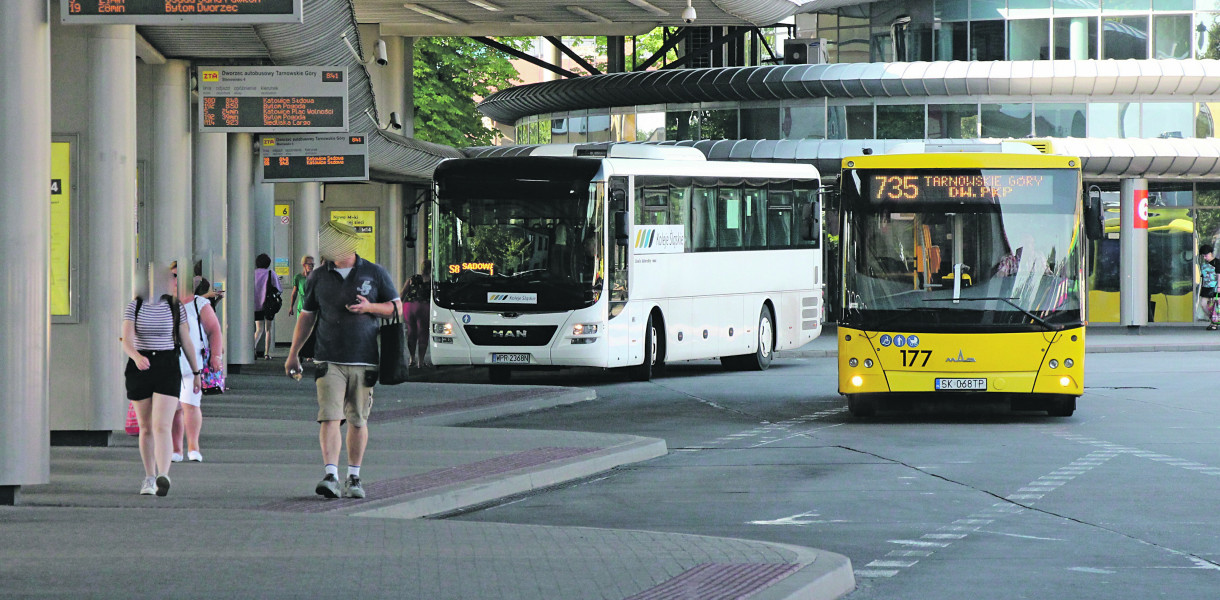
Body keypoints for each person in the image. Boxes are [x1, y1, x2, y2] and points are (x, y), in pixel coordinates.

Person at [285, 221, 402, 500]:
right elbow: (307, 317)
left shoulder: (374, 273)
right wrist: (293, 354)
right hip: (328, 359)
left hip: (365, 359)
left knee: (358, 420)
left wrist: (369, 307)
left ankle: (354, 476)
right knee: (330, 416)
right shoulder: (317, 277)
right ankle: (331, 475)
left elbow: (397, 308)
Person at [121, 262, 202, 496]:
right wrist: (136, 356)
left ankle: (163, 475)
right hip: (141, 366)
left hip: (167, 365)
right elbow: (125, 339)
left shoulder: (176, 307)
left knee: (162, 425)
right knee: (146, 427)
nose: (175, 281)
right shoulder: (134, 306)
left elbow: (186, 341)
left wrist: (196, 373)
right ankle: (149, 476)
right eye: (171, 277)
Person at [170, 272, 224, 463]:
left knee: (191, 404)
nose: (173, 280)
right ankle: (176, 449)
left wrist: (216, 356)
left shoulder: (197, 303)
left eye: (176, 275)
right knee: (173, 408)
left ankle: (193, 446)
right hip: (167, 364)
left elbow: (214, 330)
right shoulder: (160, 303)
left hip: (193, 363)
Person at [400, 259, 431, 368]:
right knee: (423, 333)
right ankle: (421, 362)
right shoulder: (431, 281)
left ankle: (412, 359)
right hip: (424, 306)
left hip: (409, 306)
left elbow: (403, 293)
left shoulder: (412, 279)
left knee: (411, 332)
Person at [253, 253, 282, 359]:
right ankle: (266, 353)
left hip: (256, 305)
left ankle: (252, 348)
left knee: (258, 329)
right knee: (268, 329)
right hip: (269, 305)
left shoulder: (253, 274)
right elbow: (279, 289)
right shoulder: (271, 273)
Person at [289, 255, 317, 361]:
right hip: (302, 307)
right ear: (304, 265)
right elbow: (294, 293)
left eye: (313, 264)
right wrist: (291, 306)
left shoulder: (315, 277)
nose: (312, 266)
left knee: (312, 331)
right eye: (310, 264)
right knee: (301, 331)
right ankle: (300, 353)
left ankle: (310, 353)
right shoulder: (298, 277)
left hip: (314, 307)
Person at [1200, 244, 1220, 330]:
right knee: (1204, 304)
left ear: (1211, 253)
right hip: (1206, 287)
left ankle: (1214, 323)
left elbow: (1219, 275)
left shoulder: (1217, 262)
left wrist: (1219, 286)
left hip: (1216, 287)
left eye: (1206, 255)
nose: (1205, 257)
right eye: (1203, 256)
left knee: (1216, 306)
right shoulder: (1204, 264)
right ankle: (1213, 320)